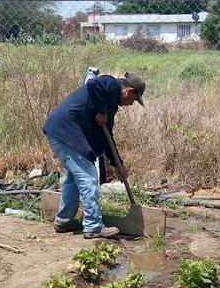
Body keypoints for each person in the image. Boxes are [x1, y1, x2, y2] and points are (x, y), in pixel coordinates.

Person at [42, 72, 146, 239]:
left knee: (74, 178)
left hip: (59, 130)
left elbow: (107, 137)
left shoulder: (109, 102)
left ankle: (64, 220)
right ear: (129, 91)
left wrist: (117, 163)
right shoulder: (111, 85)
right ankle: (93, 226)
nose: (130, 104)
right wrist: (101, 111)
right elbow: (93, 84)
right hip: (65, 131)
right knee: (88, 177)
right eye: (133, 100)